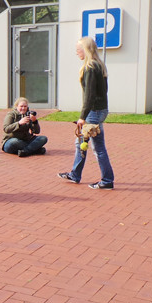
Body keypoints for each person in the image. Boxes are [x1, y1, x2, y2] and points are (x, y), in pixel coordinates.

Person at [58, 37, 114, 189]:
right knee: (81, 144)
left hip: (93, 112)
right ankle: (75, 174)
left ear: (86, 50)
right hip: (101, 110)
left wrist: (82, 117)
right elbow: (104, 91)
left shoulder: (90, 67)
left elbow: (89, 95)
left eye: (78, 49)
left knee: (98, 148)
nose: (76, 53)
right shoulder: (100, 65)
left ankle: (107, 181)